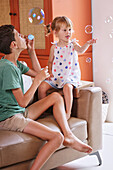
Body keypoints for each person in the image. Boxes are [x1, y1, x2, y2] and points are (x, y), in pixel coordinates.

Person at [0, 25, 92, 170]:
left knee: (55, 97)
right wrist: (37, 82)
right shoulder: (7, 68)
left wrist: (31, 52)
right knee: (56, 137)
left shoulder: (15, 64)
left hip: (18, 112)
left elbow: (40, 73)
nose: (23, 35)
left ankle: (69, 135)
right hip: (9, 119)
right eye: (18, 34)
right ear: (14, 44)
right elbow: (23, 102)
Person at [38, 16, 97, 120]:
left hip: (69, 76)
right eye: (64, 30)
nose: (68, 32)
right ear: (56, 32)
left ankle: (67, 112)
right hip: (56, 76)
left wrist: (87, 43)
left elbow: (81, 50)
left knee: (67, 87)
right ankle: (41, 110)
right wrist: (50, 73)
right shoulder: (54, 47)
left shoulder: (72, 44)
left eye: (69, 29)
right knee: (42, 86)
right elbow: (50, 61)